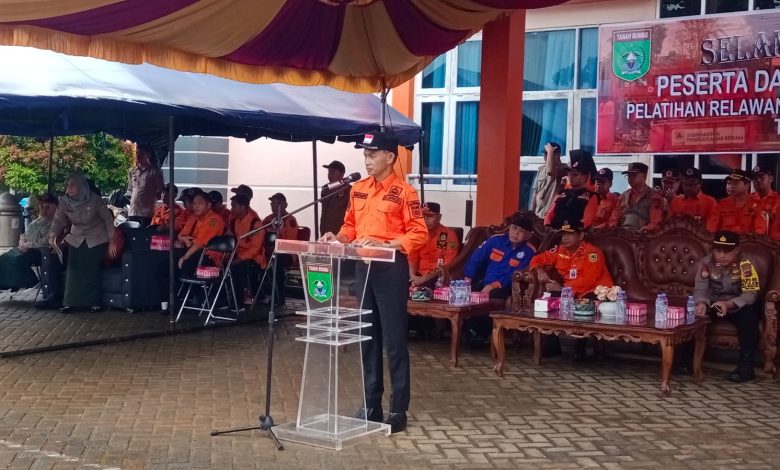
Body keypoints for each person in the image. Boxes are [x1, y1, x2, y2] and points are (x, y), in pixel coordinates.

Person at [320, 130, 428, 434]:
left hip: (390, 269)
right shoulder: (358, 189)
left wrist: (387, 244)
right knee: (367, 337)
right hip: (362, 267)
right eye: (365, 155)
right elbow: (350, 227)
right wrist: (337, 238)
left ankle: (398, 409)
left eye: (372, 154)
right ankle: (371, 405)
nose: (367, 160)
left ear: (390, 157)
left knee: (393, 340)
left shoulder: (405, 193)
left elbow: (419, 232)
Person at [693, 231, 760, 382]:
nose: (721, 255)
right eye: (718, 250)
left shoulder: (747, 264)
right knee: (693, 315)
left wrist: (728, 304)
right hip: (713, 303)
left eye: (727, 251)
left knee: (750, 317)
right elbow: (700, 289)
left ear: (737, 250)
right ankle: (687, 362)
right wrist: (701, 303)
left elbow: (750, 294)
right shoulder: (706, 263)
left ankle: (746, 368)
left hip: (738, 304)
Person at [49, 172, 117, 313]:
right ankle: (70, 302)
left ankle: (94, 303)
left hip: (97, 237)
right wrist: (52, 236)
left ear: (81, 186)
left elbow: (108, 220)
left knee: (91, 269)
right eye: (68, 185)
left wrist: (112, 241)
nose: (69, 188)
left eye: (73, 185)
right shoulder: (64, 202)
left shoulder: (95, 200)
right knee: (73, 269)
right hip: (77, 237)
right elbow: (58, 221)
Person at [529, 220, 613, 298]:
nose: (565, 238)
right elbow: (537, 259)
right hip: (572, 293)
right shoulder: (560, 250)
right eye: (563, 234)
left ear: (580, 236)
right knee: (546, 299)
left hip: (596, 293)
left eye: (570, 234)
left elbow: (589, 280)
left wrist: (562, 288)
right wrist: (540, 270)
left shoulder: (592, 253)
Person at [464, 212, 535, 299]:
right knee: (465, 294)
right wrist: (467, 280)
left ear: (528, 236)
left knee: (489, 297)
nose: (516, 233)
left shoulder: (529, 252)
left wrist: (494, 285)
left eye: (521, 231)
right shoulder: (495, 241)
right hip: (486, 282)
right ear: (509, 228)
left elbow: (515, 276)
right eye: (514, 228)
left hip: (506, 287)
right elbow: (476, 259)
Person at [0, 193, 57, 291]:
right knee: (5, 257)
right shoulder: (34, 223)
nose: (44, 210)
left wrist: (29, 245)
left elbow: (46, 240)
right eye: (42, 207)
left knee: (17, 259)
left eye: (48, 207)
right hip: (27, 249)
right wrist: (22, 242)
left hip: (41, 252)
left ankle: (29, 282)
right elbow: (25, 235)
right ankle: (6, 283)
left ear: (55, 208)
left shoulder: (54, 223)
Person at [544, 149, 599, 229]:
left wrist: (564, 229)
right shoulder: (563, 193)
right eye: (569, 173)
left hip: (573, 233)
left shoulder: (591, 196)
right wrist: (547, 227)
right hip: (553, 232)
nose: (570, 177)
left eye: (575, 175)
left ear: (585, 176)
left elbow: (586, 222)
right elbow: (549, 214)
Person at [408, 202, 460, 287]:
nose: (426, 220)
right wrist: (413, 277)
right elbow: (412, 258)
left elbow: (447, 264)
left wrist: (424, 279)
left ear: (439, 217)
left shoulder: (449, 235)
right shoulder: (418, 234)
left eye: (430, 216)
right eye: (423, 216)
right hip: (418, 275)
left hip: (438, 276)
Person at [228, 193, 265, 305]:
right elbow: (229, 239)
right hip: (237, 254)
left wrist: (238, 259)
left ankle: (238, 302)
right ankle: (224, 298)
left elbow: (255, 249)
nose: (231, 209)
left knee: (237, 267)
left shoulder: (256, 224)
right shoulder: (234, 222)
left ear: (243, 207)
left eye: (234, 206)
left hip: (254, 259)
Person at [177, 190, 225, 277]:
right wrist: (183, 239)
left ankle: (186, 286)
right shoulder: (193, 217)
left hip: (208, 255)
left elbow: (201, 242)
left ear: (208, 205)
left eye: (200, 203)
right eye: (194, 203)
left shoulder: (214, 219)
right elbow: (181, 235)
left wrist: (186, 255)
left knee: (185, 263)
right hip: (192, 250)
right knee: (168, 259)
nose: (196, 206)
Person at [610, 162, 665, 231]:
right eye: (629, 175)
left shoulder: (654, 196)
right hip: (622, 234)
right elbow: (613, 218)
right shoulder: (623, 196)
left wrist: (646, 229)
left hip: (644, 235)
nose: (630, 178)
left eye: (634, 175)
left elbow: (655, 222)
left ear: (644, 176)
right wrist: (613, 227)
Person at [707, 169, 760, 234]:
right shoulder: (721, 205)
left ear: (747, 185)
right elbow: (711, 229)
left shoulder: (758, 205)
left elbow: (760, 231)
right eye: (729, 183)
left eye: (736, 183)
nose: (731, 186)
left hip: (748, 240)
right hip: (724, 240)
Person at [127, 144, 164, 227]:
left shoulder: (154, 171)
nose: (138, 156)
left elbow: (161, 191)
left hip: (146, 213)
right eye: (137, 153)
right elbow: (131, 189)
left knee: (144, 233)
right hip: (133, 211)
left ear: (148, 155)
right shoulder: (132, 171)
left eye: (142, 153)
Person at [531, 142, 567, 220]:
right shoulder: (541, 170)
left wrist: (550, 151)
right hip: (538, 215)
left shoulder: (563, 168)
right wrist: (531, 213)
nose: (544, 156)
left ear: (557, 155)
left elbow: (550, 171)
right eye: (544, 153)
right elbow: (536, 193)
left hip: (552, 216)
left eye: (547, 153)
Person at [320, 160, 352, 238]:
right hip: (325, 232)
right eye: (329, 172)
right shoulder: (325, 188)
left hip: (340, 234)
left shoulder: (349, 190)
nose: (330, 174)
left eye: (333, 172)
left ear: (341, 174)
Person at [750, 165, 779, 237]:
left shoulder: (778, 199)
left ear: (771, 179)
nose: (758, 180)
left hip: (774, 241)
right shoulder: (748, 199)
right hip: (750, 240)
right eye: (755, 178)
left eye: (762, 177)